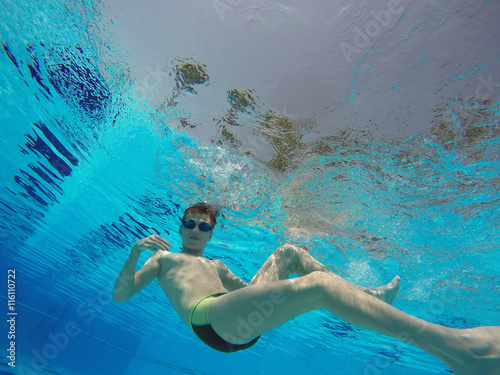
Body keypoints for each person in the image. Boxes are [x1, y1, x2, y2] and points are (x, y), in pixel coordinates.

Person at [113, 202, 500, 375]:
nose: (195, 231)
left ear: (211, 234)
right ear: (179, 227)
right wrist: (134, 253)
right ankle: (458, 350)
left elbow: (253, 293)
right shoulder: (164, 260)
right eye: (190, 224)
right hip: (210, 320)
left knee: (288, 251)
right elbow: (121, 295)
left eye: (204, 227)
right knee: (315, 287)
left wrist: (279, 287)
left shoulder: (217, 264)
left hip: (239, 321)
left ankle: (362, 293)